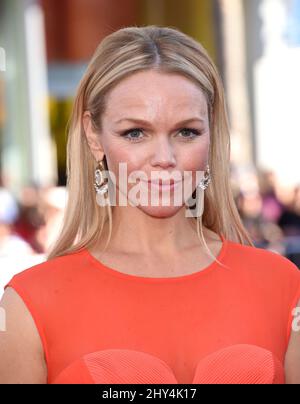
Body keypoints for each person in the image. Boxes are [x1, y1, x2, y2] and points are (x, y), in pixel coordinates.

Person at [0, 25, 299, 384]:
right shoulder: (27, 305)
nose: (164, 158)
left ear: (211, 131)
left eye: (186, 131)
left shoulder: (283, 286)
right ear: (94, 136)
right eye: (135, 132)